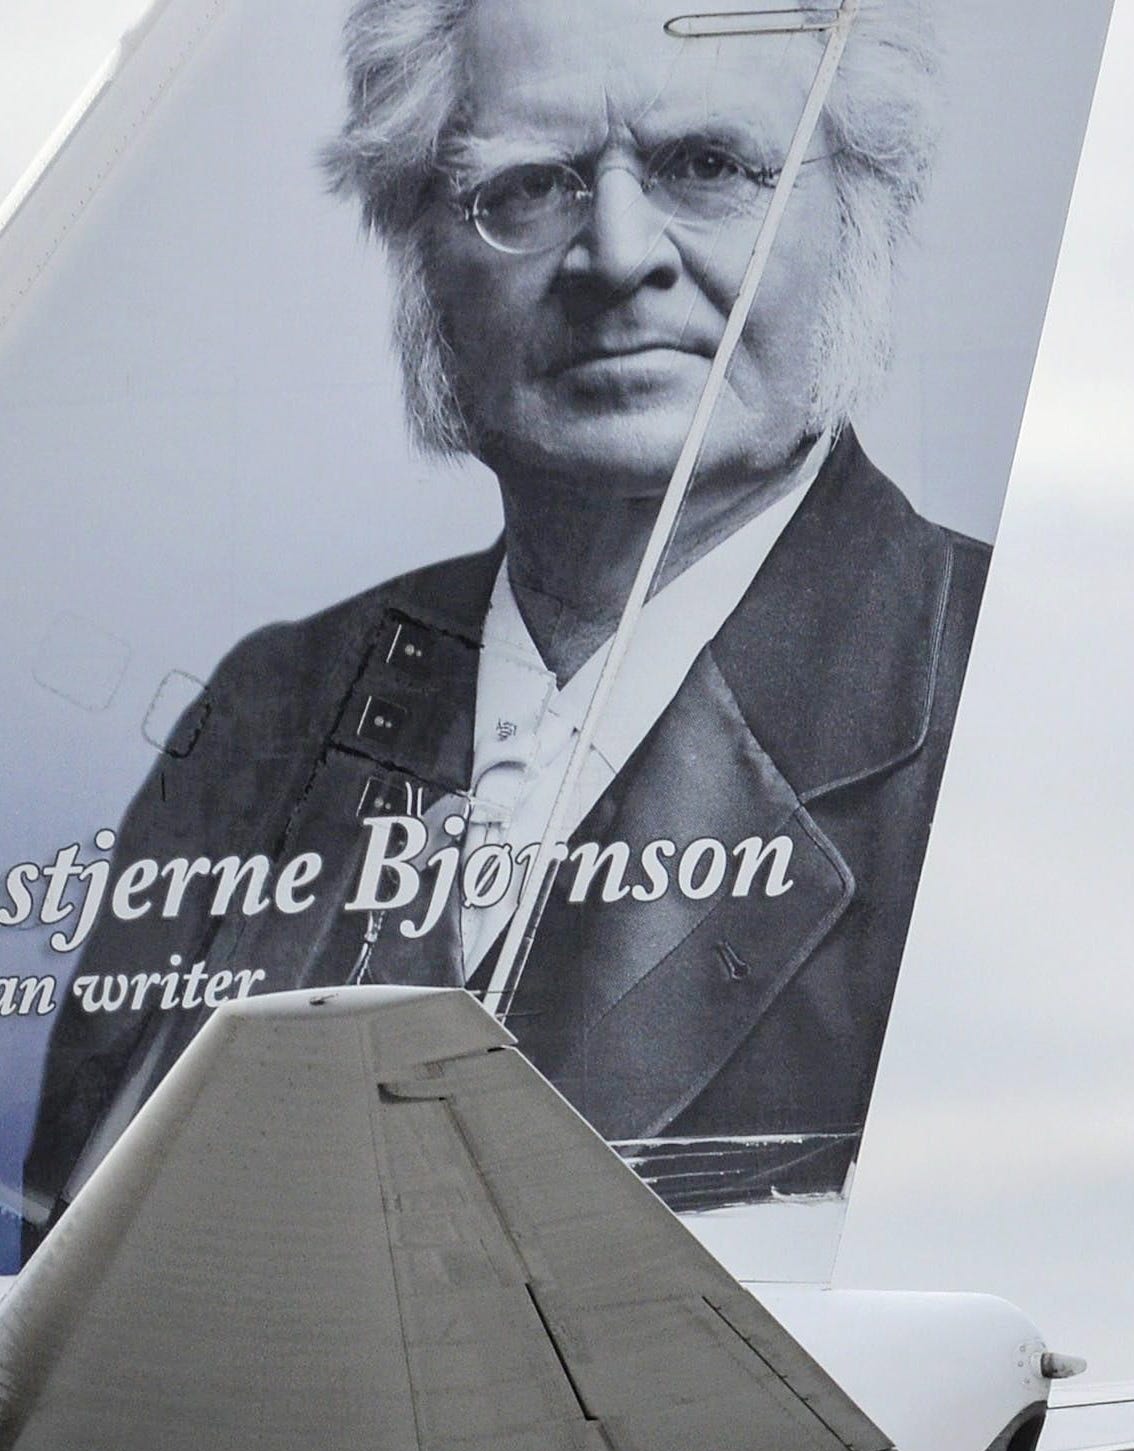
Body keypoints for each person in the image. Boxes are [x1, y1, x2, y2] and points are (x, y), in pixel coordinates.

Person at [21, 0, 975, 1230]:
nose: (617, 254)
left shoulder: (997, 697)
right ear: (418, 253)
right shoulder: (269, 710)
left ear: (863, 213)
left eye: (707, 166)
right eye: (525, 190)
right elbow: (69, 1252)